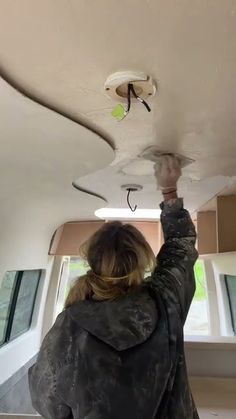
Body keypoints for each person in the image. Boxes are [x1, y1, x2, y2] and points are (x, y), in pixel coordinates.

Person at [29, 155, 199, 419]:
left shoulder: (69, 325)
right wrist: (169, 189)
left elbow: (46, 399)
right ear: (142, 261)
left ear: (92, 261)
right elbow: (180, 247)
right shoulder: (165, 300)